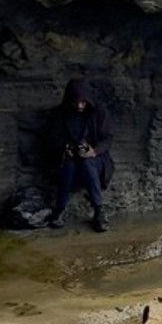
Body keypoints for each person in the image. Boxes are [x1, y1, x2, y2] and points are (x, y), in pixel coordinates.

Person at [48, 77, 113, 232]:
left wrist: (94, 151)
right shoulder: (61, 114)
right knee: (69, 166)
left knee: (86, 163)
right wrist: (65, 148)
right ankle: (60, 209)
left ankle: (98, 211)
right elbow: (53, 137)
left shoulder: (99, 112)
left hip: (95, 159)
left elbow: (108, 138)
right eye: (75, 102)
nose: (79, 105)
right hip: (71, 157)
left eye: (83, 102)